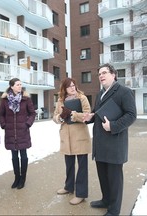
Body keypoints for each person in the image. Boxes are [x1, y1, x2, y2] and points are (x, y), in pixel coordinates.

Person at [83, 63, 137, 216]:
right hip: (100, 144)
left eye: (104, 72)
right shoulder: (100, 93)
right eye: (99, 74)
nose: (101, 76)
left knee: (114, 179)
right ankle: (106, 200)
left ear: (114, 75)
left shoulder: (124, 92)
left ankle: (114, 210)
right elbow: (97, 113)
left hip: (115, 143)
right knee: (103, 176)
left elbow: (131, 115)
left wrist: (113, 126)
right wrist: (89, 118)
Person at [53, 77, 92, 205]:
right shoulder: (60, 101)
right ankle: (68, 187)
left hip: (80, 136)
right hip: (66, 137)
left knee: (82, 167)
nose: (72, 88)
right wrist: (60, 117)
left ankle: (81, 194)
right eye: (69, 86)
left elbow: (88, 115)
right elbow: (54, 117)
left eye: (73, 85)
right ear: (64, 88)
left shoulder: (82, 98)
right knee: (69, 165)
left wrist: (73, 115)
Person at [0, 78, 36, 189]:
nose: (20, 86)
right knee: (14, 156)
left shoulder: (26, 99)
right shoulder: (5, 100)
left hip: (22, 131)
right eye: (17, 84)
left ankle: (23, 178)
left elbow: (32, 113)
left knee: (23, 156)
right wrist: (4, 125)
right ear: (11, 86)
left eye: (20, 84)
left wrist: (27, 124)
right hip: (10, 132)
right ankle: (16, 178)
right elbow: (1, 114)